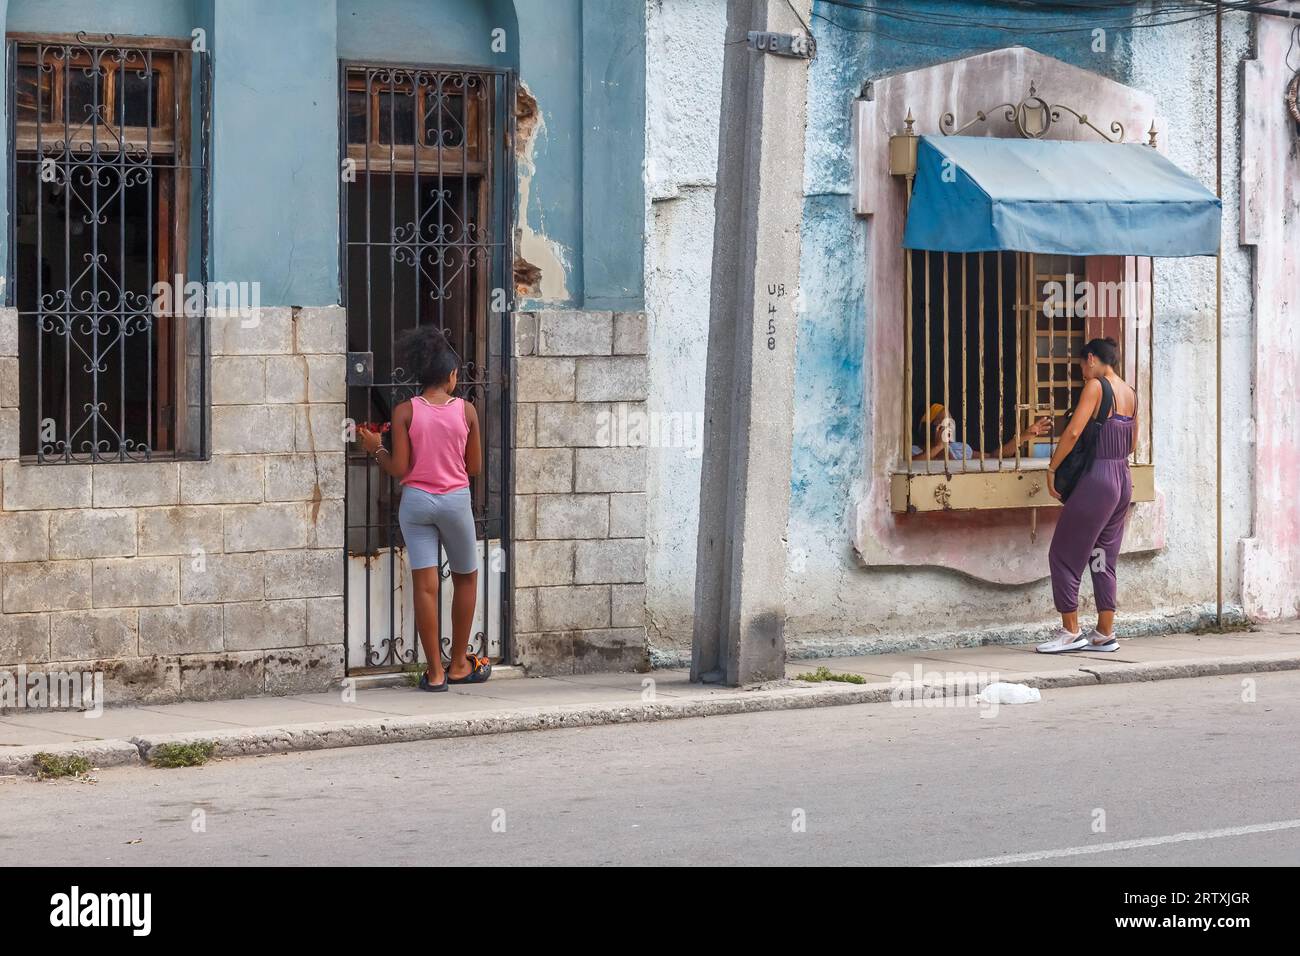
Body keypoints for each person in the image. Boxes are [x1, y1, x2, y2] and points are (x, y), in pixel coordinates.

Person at [356, 326, 491, 690]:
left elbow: (399, 468)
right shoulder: (467, 411)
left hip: (415, 503)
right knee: (466, 577)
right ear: (451, 377)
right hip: (455, 501)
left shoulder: (404, 412)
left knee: (425, 586)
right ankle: (460, 664)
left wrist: (374, 447)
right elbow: (474, 467)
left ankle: (433, 674)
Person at [1037, 337, 1137, 654]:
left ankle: (1070, 632)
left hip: (1099, 480)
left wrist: (1053, 468)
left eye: (1082, 365)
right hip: (1123, 480)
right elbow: (1133, 444)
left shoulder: (1096, 387)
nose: (1082, 372)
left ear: (1091, 359)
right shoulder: (1131, 393)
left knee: (1063, 555)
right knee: (1102, 557)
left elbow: (1074, 431)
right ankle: (1105, 633)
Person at [911, 403, 1051, 461]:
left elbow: (994, 456)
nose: (949, 428)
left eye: (950, 422)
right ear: (926, 428)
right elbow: (913, 466)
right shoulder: (914, 452)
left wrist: (1023, 437)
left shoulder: (960, 449)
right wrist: (938, 447)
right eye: (943, 423)